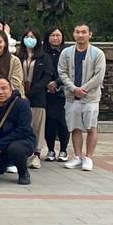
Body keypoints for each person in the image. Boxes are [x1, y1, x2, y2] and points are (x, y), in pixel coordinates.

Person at [58, 22, 106, 171]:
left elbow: (99, 75)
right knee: (75, 127)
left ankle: (89, 157)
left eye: (84, 32)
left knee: (91, 127)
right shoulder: (66, 53)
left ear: (90, 34)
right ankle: (77, 156)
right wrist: (73, 88)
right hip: (72, 97)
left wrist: (83, 89)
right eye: (77, 32)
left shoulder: (97, 53)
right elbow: (62, 72)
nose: (80, 35)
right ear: (73, 34)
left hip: (90, 97)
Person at [16, 28, 53, 169]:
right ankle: (23, 152)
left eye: (33, 37)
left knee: (37, 126)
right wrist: (21, 92)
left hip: (38, 97)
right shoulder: (18, 56)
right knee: (22, 125)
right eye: (27, 36)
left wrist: (32, 92)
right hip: (20, 96)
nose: (29, 39)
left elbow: (46, 77)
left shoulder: (44, 57)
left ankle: (36, 154)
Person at [43, 27, 69, 162]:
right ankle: (51, 149)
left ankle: (63, 150)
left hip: (63, 93)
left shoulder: (67, 53)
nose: (55, 38)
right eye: (52, 35)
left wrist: (57, 82)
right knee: (49, 123)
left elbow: (70, 71)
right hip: (46, 93)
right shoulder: (42, 53)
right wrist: (47, 83)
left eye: (58, 35)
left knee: (63, 123)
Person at [0, 31, 24, 96]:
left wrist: (4, 94)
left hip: (13, 97)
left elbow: (16, 82)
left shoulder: (14, 60)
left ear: (5, 43)